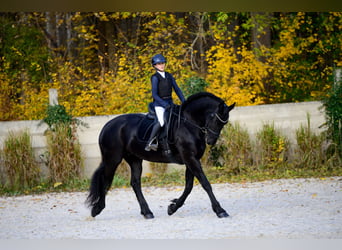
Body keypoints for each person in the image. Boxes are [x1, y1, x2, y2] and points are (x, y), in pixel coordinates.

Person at [145, 54, 186, 153]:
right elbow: (154, 94)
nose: (161, 65)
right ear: (154, 66)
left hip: (170, 102)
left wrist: (184, 101)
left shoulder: (169, 75)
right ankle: (150, 142)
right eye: (159, 64)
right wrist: (164, 104)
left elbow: (177, 89)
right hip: (160, 104)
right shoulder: (155, 77)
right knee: (162, 122)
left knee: (176, 120)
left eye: (162, 63)